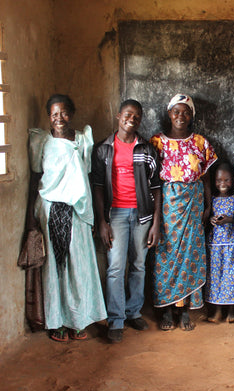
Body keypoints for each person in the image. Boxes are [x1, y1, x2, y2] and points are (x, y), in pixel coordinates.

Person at [26, 94, 107, 342]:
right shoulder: (42, 141)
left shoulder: (82, 140)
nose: (58, 118)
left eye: (62, 113)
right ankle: (56, 321)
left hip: (77, 210)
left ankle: (78, 320)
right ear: (48, 117)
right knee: (54, 267)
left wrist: (94, 214)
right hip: (49, 209)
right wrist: (31, 217)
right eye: (53, 114)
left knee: (78, 266)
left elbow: (89, 179)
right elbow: (35, 179)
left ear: (70, 113)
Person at [92, 99, 162, 344]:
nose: (131, 119)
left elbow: (156, 187)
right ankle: (116, 319)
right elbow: (98, 187)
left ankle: (133, 312)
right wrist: (102, 221)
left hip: (142, 215)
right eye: (127, 114)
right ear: (118, 115)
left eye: (137, 116)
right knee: (115, 267)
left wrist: (155, 222)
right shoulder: (104, 149)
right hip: (116, 215)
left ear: (140, 120)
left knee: (139, 265)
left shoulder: (147, 149)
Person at [150, 94, 217, 331]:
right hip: (167, 207)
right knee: (166, 255)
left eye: (186, 112)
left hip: (194, 204)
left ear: (191, 116)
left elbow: (206, 178)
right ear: (169, 113)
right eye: (176, 111)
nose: (181, 116)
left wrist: (208, 206)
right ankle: (167, 309)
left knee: (191, 255)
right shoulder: (156, 142)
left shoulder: (200, 142)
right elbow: (153, 182)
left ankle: (186, 309)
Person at [206, 162, 234, 323]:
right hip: (215, 246)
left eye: (227, 180)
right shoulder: (212, 199)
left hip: (233, 245)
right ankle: (217, 311)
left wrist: (231, 219)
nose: (222, 183)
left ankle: (231, 311)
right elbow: (207, 217)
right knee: (216, 278)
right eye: (219, 180)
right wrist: (211, 219)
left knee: (232, 277)